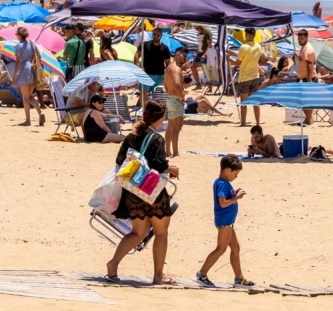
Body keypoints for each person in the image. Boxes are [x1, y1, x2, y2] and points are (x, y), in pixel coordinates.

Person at [108, 100, 180, 285]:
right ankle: (158, 275)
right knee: (161, 233)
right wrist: (170, 168)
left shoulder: (131, 135)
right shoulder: (157, 138)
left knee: (137, 233)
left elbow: (119, 159)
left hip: (133, 191)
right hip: (152, 192)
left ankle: (113, 264)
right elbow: (159, 165)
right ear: (160, 118)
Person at [195, 154, 254, 287]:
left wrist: (234, 193)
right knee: (220, 249)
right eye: (236, 173)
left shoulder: (221, 182)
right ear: (228, 170)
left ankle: (239, 278)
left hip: (228, 222)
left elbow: (225, 198)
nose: (236, 176)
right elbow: (223, 203)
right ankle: (202, 274)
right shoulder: (223, 184)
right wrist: (237, 198)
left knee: (235, 247)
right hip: (225, 222)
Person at [11, 27, 46, 127]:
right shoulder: (31, 43)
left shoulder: (18, 46)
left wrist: (14, 78)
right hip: (32, 70)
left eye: (16, 34)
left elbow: (18, 63)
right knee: (29, 96)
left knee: (25, 98)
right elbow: (39, 57)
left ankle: (28, 120)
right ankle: (40, 112)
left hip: (24, 71)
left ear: (19, 35)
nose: (16, 35)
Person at [232, 27, 262, 127]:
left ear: (247, 35)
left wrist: (229, 60)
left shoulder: (243, 47)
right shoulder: (258, 47)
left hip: (244, 76)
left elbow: (238, 62)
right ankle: (257, 122)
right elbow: (250, 57)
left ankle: (243, 123)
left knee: (243, 102)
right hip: (255, 76)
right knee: (255, 102)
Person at [134, 28, 171, 107]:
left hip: (159, 75)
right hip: (145, 74)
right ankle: (146, 111)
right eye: (154, 34)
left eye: (158, 35)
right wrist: (137, 66)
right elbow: (137, 55)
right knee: (144, 95)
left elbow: (168, 62)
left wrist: (166, 75)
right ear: (152, 35)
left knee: (157, 97)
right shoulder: (145, 45)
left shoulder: (165, 48)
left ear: (161, 36)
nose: (156, 36)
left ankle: (155, 112)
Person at [163, 47, 187, 157]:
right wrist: (181, 97)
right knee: (177, 127)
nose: (185, 58)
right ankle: (175, 152)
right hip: (176, 99)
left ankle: (168, 151)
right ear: (177, 54)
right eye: (183, 55)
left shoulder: (169, 67)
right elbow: (177, 85)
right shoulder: (176, 69)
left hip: (170, 98)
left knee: (170, 126)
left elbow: (165, 84)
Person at [296, 29, 317, 125]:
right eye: (299, 38)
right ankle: (308, 118)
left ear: (306, 38)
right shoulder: (303, 48)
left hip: (308, 78)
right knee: (304, 100)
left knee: (303, 100)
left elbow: (309, 65)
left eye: (302, 38)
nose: (300, 40)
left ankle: (309, 118)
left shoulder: (308, 49)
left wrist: (308, 81)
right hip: (304, 78)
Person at [191, 25, 211, 90]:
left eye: (196, 27)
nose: (196, 29)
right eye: (195, 27)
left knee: (206, 70)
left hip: (205, 54)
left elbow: (210, 45)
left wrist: (205, 54)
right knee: (193, 67)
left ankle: (210, 86)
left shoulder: (207, 32)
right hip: (199, 53)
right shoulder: (199, 33)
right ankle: (198, 84)